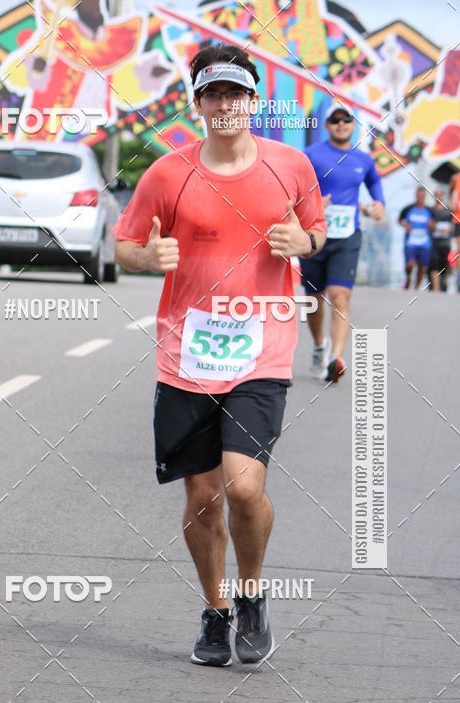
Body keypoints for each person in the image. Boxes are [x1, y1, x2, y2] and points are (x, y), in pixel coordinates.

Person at [113, 42, 326, 666]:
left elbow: (317, 230)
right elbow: (125, 243)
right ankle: (216, 610)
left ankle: (252, 593)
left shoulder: (291, 166)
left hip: (263, 346)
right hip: (187, 353)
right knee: (202, 494)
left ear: (254, 102)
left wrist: (304, 241)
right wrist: (147, 257)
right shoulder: (167, 173)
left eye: (237, 93)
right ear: (199, 103)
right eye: (214, 94)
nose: (226, 104)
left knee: (243, 484)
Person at [300, 103, 385, 383]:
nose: (341, 124)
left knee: (340, 295)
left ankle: (335, 358)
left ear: (352, 125)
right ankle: (319, 346)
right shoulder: (311, 155)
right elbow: (296, 188)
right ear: (327, 126)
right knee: (314, 299)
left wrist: (379, 204)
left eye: (346, 119)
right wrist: (313, 201)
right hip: (314, 235)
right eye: (335, 120)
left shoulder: (363, 159)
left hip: (347, 236)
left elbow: (375, 184)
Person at [398, 187, 433, 290]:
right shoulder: (408, 208)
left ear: (425, 197)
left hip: (424, 243)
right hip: (410, 243)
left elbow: (434, 224)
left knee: (421, 267)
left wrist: (431, 225)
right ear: (416, 196)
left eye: (423, 196)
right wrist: (405, 225)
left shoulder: (429, 210)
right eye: (419, 196)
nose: (420, 198)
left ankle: (416, 288)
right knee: (410, 264)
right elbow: (400, 220)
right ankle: (408, 278)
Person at [428, 187, 454, 292]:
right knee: (434, 265)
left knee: (444, 266)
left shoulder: (449, 210)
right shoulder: (430, 210)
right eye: (436, 194)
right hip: (434, 242)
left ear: (443, 196)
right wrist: (436, 227)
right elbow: (429, 224)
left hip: (446, 243)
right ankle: (436, 289)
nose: (438, 196)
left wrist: (449, 229)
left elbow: (454, 225)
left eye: (440, 194)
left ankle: (443, 285)